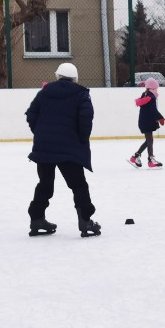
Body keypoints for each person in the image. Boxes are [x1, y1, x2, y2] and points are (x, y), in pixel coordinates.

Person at [25, 62, 101, 237]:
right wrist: (81, 139)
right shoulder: (81, 94)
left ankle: (37, 219)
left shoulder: (44, 92)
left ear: (58, 76)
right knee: (78, 185)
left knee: (45, 184)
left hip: (44, 148)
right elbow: (86, 118)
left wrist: (41, 133)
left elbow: (31, 114)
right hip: (70, 150)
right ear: (75, 78)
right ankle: (85, 221)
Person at [129, 77, 165, 169]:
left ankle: (136, 156)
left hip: (144, 121)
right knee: (149, 140)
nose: (157, 90)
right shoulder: (151, 97)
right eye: (156, 88)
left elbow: (150, 110)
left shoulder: (145, 95)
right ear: (153, 88)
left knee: (148, 140)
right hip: (148, 122)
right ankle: (150, 159)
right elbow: (153, 110)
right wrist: (160, 117)